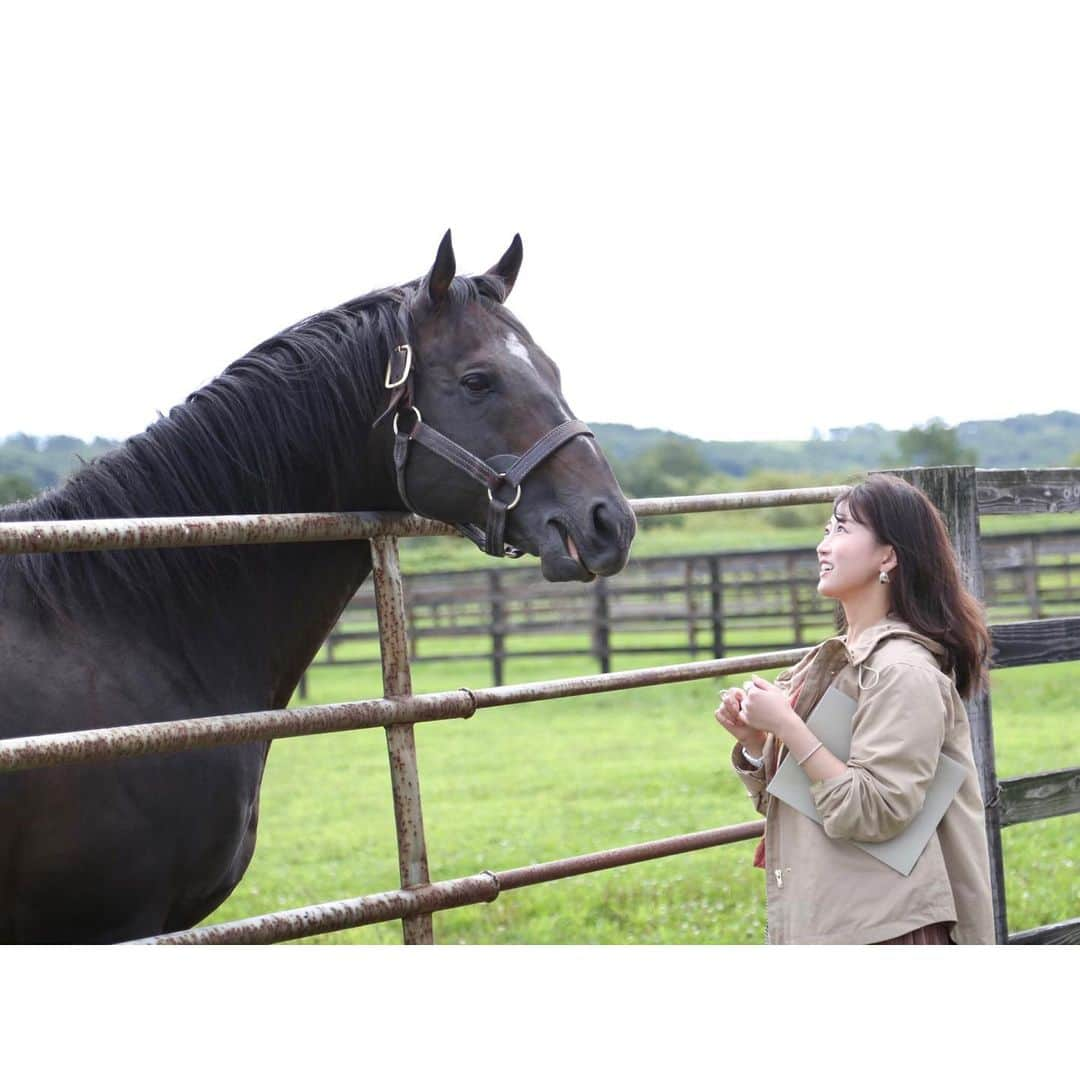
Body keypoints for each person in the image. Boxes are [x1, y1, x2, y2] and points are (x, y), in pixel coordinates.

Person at [715, 474, 995, 944]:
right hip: (838, 915)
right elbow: (803, 799)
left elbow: (875, 811)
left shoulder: (903, 671)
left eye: (842, 530)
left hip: (889, 927)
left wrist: (787, 723)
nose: (823, 546)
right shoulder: (840, 659)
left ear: (888, 556)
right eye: (827, 529)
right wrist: (758, 743)